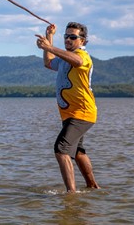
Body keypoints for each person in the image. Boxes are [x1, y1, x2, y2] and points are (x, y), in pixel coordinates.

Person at [35, 22, 100, 193]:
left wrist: (51, 47)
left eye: (73, 37)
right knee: (77, 152)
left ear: (83, 41)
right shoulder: (64, 59)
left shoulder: (82, 56)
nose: (68, 40)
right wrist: (49, 37)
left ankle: (71, 195)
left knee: (61, 149)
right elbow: (48, 63)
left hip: (82, 112)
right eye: (66, 36)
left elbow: (77, 62)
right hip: (69, 114)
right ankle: (93, 186)